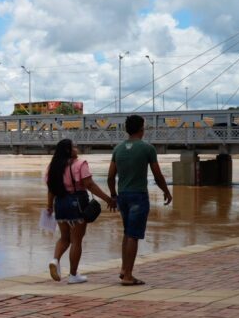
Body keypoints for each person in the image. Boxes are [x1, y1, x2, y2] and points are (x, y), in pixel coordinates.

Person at [107, 114, 172, 286]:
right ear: (141, 129)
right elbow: (157, 176)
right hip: (139, 196)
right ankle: (128, 275)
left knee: (127, 232)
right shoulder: (147, 148)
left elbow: (110, 177)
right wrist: (166, 191)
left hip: (123, 196)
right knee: (133, 236)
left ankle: (123, 269)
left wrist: (113, 195)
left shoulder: (118, 149)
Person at [46, 139, 114, 283]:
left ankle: (55, 260)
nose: (77, 149)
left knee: (65, 238)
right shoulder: (80, 164)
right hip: (76, 204)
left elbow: (51, 189)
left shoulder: (52, 167)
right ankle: (73, 275)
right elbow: (89, 184)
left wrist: (49, 206)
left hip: (60, 204)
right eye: (74, 147)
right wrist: (107, 199)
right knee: (76, 240)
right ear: (68, 151)